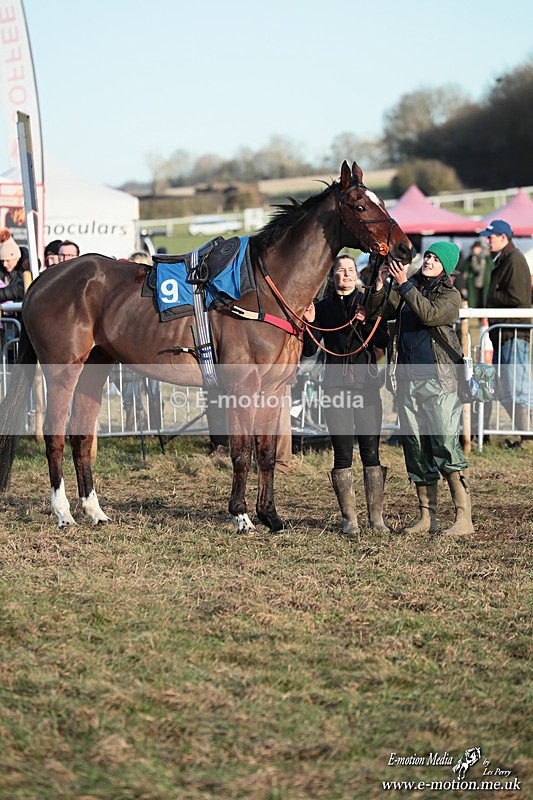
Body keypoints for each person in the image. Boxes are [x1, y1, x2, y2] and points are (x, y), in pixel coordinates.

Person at [368, 241, 474, 536]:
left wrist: (402, 286)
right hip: (405, 379)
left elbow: (428, 315)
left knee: (444, 445)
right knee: (415, 448)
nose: (428, 261)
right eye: (427, 256)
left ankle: (463, 519)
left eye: (435, 258)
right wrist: (379, 284)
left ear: (446, 267)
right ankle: (428, 517)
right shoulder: (408, 286)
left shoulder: (450, 296)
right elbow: (378, 309)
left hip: (439, 381)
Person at [302, 254, 390, 535]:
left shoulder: (367, 302)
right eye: (341, 271)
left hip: (366, 387)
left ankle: (376, 519)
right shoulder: (322, 307)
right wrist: (310, 323)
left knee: (371, 453)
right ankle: (349, 519)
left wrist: (366, 321)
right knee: (342, 455)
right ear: (333, 276)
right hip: (335, 387)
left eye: (351, 270)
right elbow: (308, 350)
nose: (347, 275)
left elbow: (382, 341)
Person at [480, 219, 531, 444]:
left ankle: (528, 438)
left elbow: (519, 297)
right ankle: (525, 435)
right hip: (506, 333)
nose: (487, 240)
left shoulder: (514, 259)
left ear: (503, 237)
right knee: (508, 389)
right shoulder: (505, 259)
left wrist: (492, 299)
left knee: (518, 388)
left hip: (514, 333)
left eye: (490, 237)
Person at [461, 240, 492, 307]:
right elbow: (463, 269)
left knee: (484, 301)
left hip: (485, 285)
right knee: (473, 302)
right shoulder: (469, 259)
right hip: (473, 286)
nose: (475, 250)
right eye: (474, 248)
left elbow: (492, 268)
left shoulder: (487, 259)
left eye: (477, 248)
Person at [0, 228, 27, 304]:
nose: (4, 264)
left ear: (16, 258)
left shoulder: (28, 271)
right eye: (2, 261)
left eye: (8, 260)